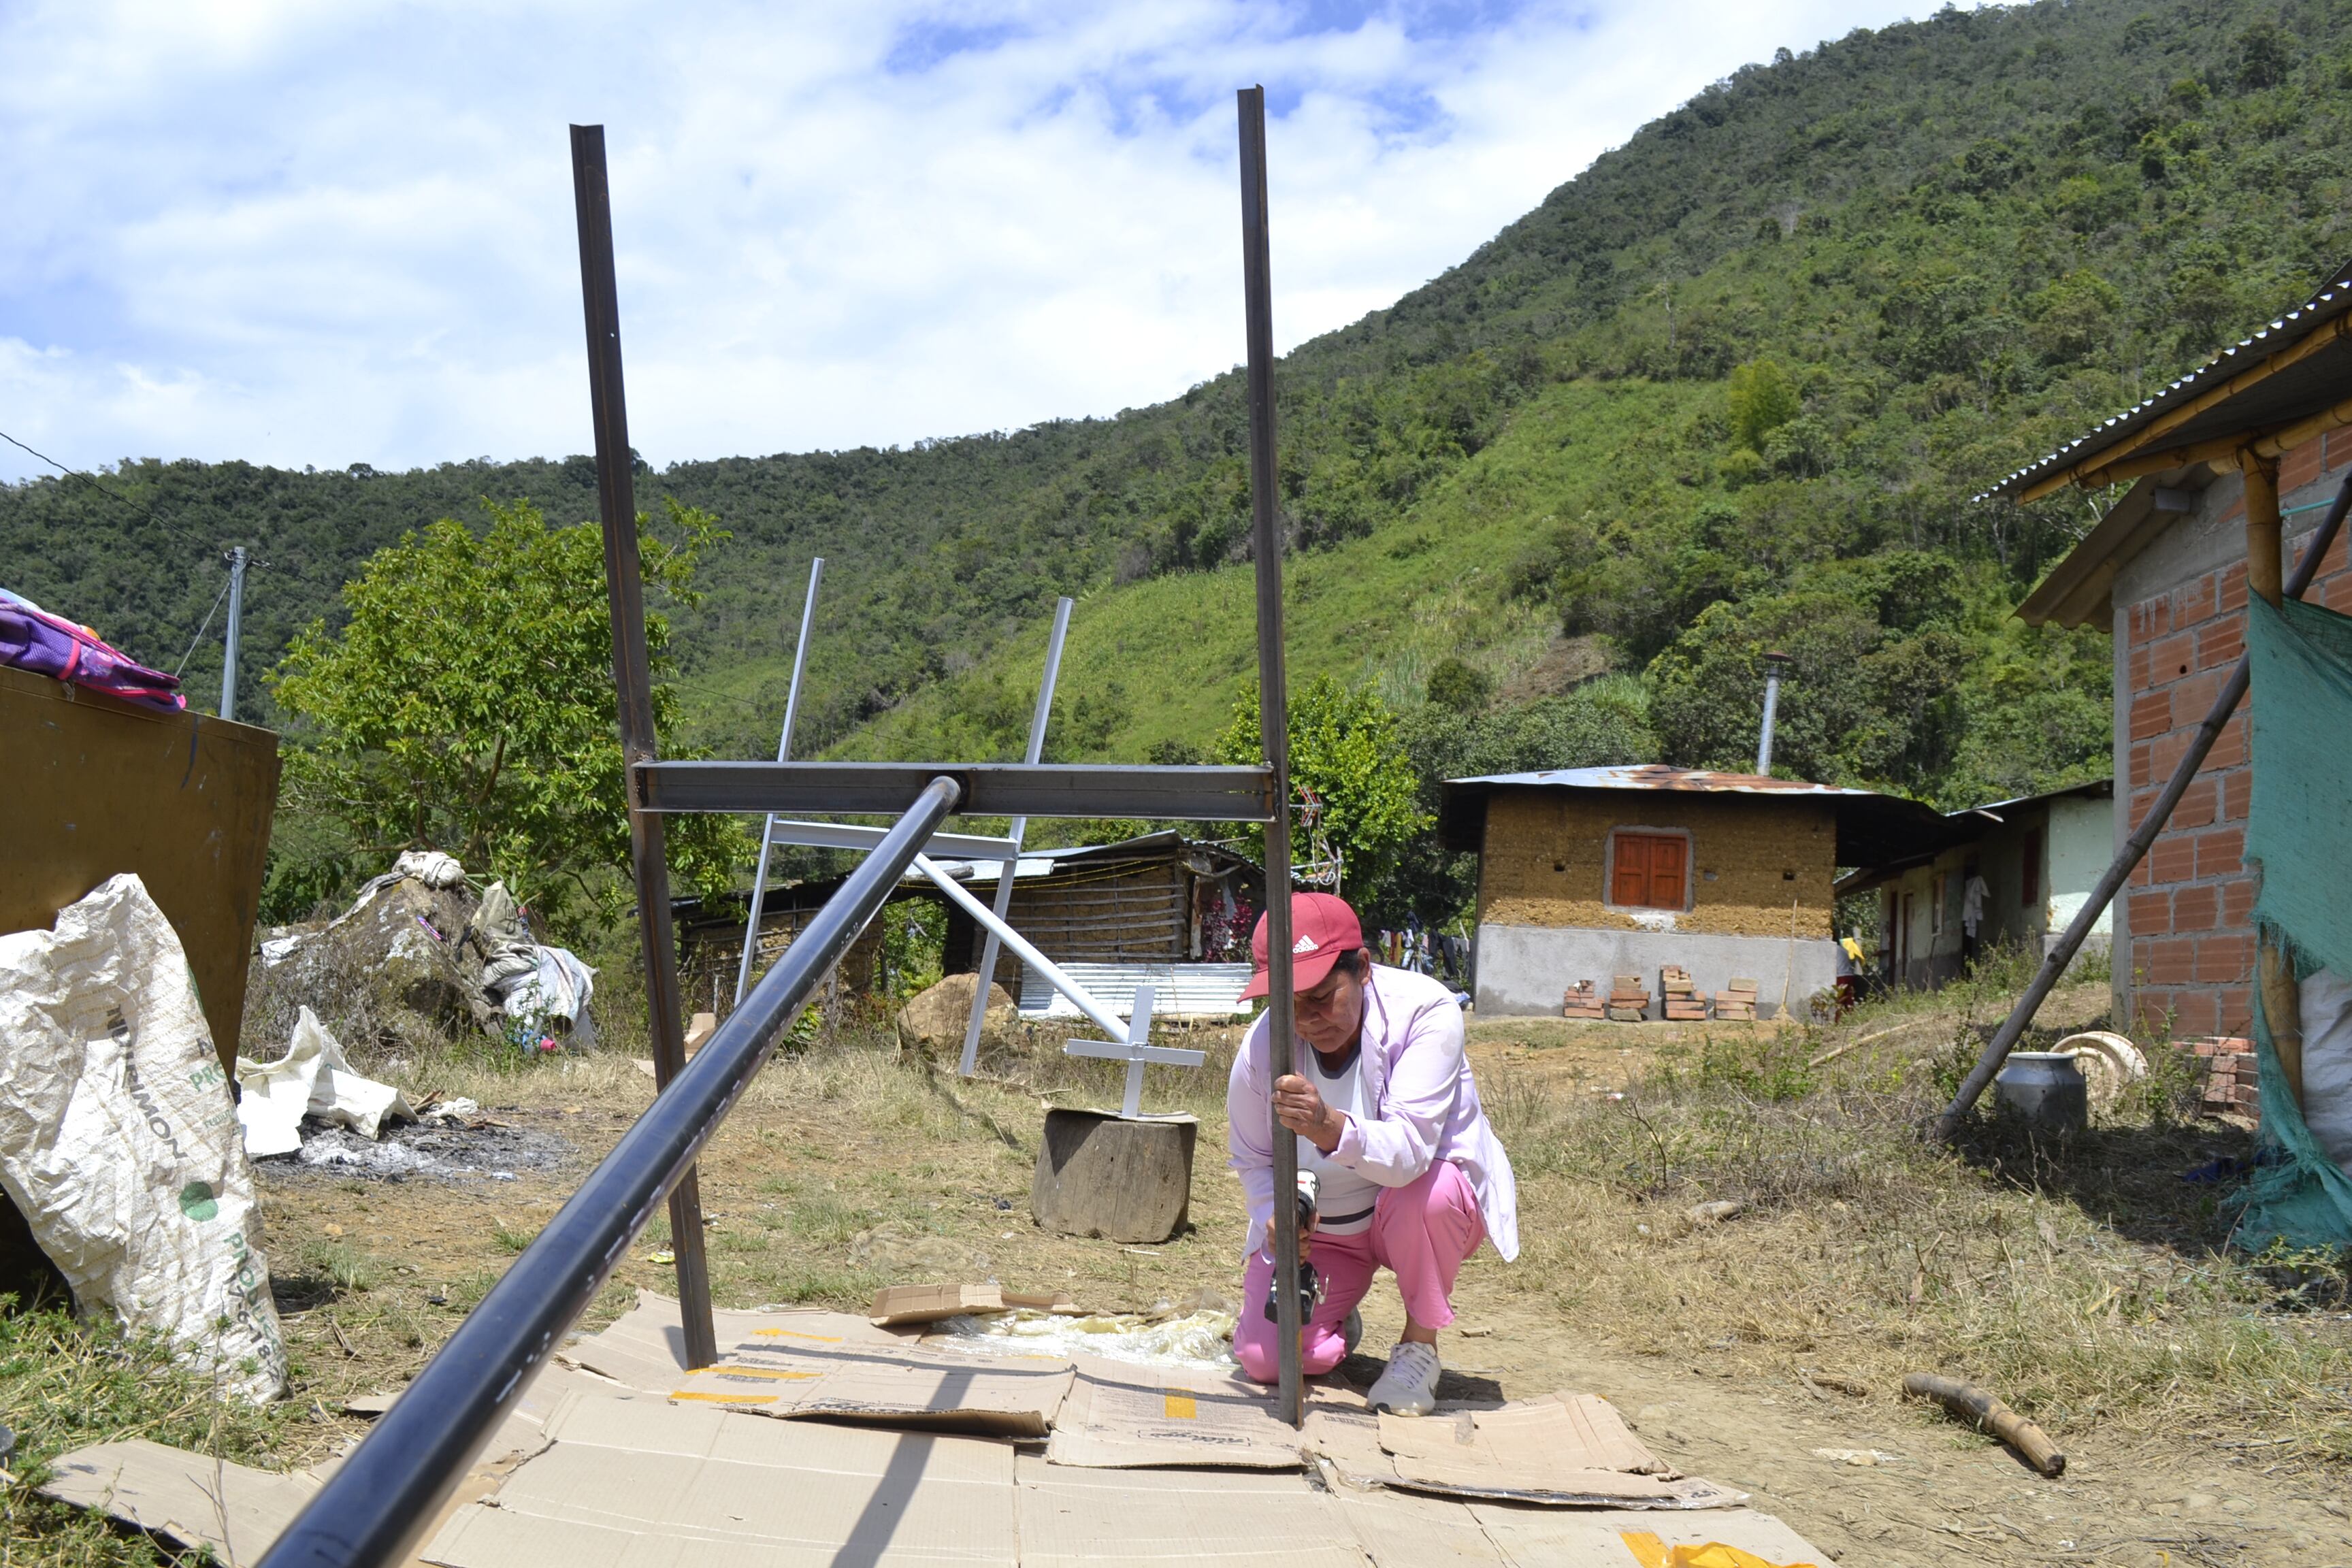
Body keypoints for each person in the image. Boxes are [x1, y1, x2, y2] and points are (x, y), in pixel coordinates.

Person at [1226, 892, 1518, 1415]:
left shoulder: (1426, 1012)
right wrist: (1277, 1217)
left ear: (1361, 968)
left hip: (1413, 1204)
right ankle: (1335, 1316)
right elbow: (1253, 1158)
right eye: (1288, 1002)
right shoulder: (1262, 1047)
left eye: (1319, 998)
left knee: (1426, 1194)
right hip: (1329, 1230)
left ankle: (1418, 1347)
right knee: (1266, 1361)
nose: (1307, 1020)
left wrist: (1327, 1126)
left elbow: (1408, 1153)